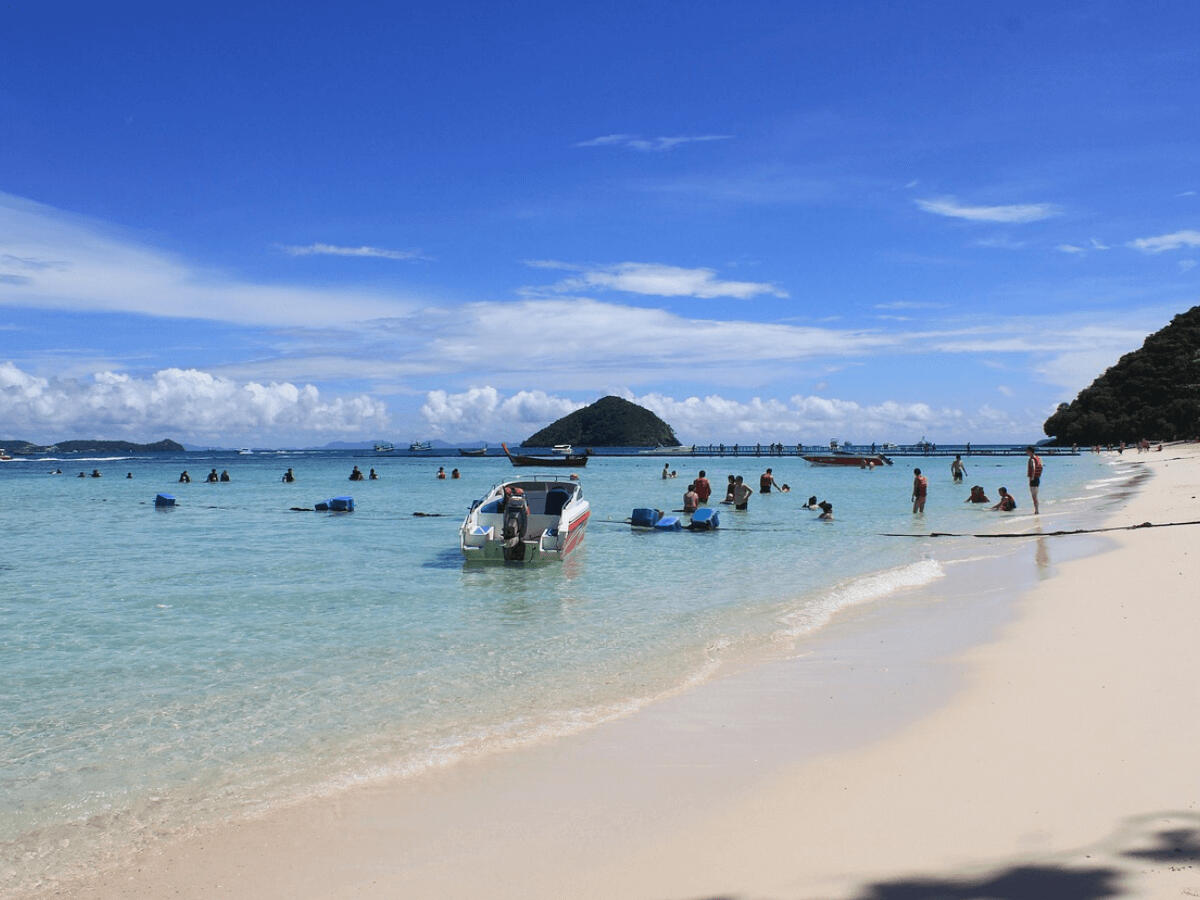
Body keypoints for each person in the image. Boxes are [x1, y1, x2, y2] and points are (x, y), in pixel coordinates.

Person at [1026, 446, 1042, 514]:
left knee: (1034, 496)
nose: (1026, 452)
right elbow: (1041, 467)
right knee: (1035, 495)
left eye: (1027, 451)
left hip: (1033, 479)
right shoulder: (1038, 458)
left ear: (1030, 451)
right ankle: (1036, 510)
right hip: (1037, 478)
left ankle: (1036, 510)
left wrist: (1031, 478)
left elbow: (1033, 468)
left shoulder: (1031, 459)